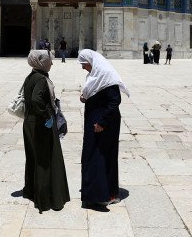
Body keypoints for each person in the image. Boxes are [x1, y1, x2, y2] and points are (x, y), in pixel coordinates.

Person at [78, 49, 130, 211]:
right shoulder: (97, 75)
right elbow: (98, 95)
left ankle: (99, 196)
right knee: (98, 155)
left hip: (104, 124)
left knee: (97, 156)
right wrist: (85, 98)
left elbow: (114, 101)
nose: (83, 68)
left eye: (83, 64)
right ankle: (107, 192)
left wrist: (102, 122)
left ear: (91, 61)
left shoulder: (106, 75)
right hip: (97, 122)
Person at [21, 50, 70, 213]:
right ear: (42, 62)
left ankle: (32, 192)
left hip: (29, 122)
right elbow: (36, 100)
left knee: (34, 158)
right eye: (49, 61)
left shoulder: (31, 76)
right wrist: (46, 116)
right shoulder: (42, 79)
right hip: (40, 124)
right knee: (45, 160)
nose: (52, 63)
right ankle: (45, 200)